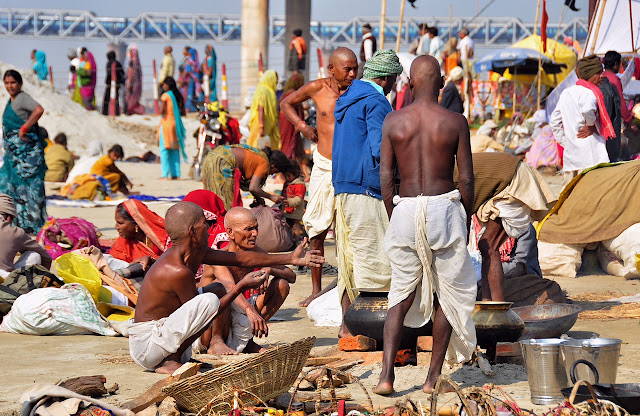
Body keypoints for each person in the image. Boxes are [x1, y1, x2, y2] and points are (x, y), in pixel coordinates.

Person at [373, 55, 476, 396]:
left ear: (410, 84)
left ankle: (386, 377)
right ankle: (431, 380)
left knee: (399, 294)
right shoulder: (455, 121)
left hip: (405, 208)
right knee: (449, 293)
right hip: (444, 206)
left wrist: (396, 214)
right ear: (442, 83)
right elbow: (467, 179)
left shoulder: (393, 120)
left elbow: (386, 176)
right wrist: (465, 216)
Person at [128, 201, 324, 373]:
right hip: (148, 348)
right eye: (206, 224)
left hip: (164, 340)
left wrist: (290, 258)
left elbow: (241, 259)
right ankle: (172, 360)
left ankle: (181, 356)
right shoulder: (176, 270)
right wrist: (241, 287)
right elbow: (203, 314)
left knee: (217, 291)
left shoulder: (197, 252)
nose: (210, 227)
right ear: (193, 232)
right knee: (208, 300)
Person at [332, 49, 403, 337]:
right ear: (387, 79)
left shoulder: (347, 99)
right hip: (366, 188)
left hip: (343, 186)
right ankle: (368, 330)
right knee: (375, 259)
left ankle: (346, 327)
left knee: (350, 259)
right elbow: (380, 150)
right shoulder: (376, 102)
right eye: (395, 80)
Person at [280, 47, 358, 306]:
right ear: (332, 70)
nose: (352, 73)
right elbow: (286, 103)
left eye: (355, 68)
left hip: (350, 166)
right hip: (324, 165)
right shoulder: (317, 88)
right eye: (347, 69)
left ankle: (352, 286)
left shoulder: (358, 91)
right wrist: (302, 126)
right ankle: (316, 289)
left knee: (350, 229)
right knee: (317, 228)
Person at [456, 153, 556, 301]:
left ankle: (498, 308)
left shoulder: (527, 231)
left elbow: (521, 264)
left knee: (489, 246)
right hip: (506, 180)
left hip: (512, 180)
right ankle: (488, 304)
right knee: (487, 246)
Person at [197, 207, 297, 354]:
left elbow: (291, 276)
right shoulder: (218, 257)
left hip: (237, 312)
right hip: (209, 324)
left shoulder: (256, 252)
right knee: (220, 289)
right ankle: (216, 342)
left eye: (256, 228)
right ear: (230, 233)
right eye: (248, 229)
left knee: (281, 284)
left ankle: (248, 340)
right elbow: (230, 287)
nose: (255, 234)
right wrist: (249, 310)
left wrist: (270, 269)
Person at [550, 55, 613, 187]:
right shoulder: (589, 93)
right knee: (593, 193)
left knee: (568, 195)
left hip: (571, 157)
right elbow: (588, 110)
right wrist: (591, 125)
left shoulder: (566, 93)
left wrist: (566, 142)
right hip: (591, 156)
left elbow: (554, 122)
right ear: (589, 74)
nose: (602, 76)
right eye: (598, 73)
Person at [0, 70, 46, 234]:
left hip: (27, 156)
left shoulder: (22, 98)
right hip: (14, 156)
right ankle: (16, 222)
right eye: (6, 83)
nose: (9, 86)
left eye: (12, 83)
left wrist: (24, 128)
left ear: (19, 84)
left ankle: (32, 223)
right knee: (8, 185)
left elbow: (39, 109)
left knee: (30, 187)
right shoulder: (11, 101)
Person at [202, 144, 289, 210]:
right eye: (275, 172)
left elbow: (252, 184)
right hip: (223, 162)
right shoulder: (265, 163)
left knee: (212, 197)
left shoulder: (258, 154)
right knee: (226, 204)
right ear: (273, 164)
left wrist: (258, 198)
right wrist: (271, 197)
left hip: (212, 155)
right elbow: (253, 187)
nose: (271, 174)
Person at [0, 194, 51, 279]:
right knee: (34, 255)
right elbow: (45, 256)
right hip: (4, 280)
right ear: (9, 217)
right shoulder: (16, 232)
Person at [110, 200, 170, 271]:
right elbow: (115, 263)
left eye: (120, 223)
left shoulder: (164, 237)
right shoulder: (122, 242)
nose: (116, 227)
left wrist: (152, 261)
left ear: (136, 223)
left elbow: (174, 261)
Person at [603, 50, 637, 161]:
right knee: (617, 153)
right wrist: (630, 122)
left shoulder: (601, 77)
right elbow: (621, 104)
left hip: (601, 122)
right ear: (616, 64)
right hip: (612, 121)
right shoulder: (614, 80)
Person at [158, 76, 187, 180]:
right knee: (175, 149)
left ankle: (165, 174)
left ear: (168, 85)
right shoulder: (177, 96)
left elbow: (161, 111)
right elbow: (182, 112)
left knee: (164, 149)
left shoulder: (165, 96)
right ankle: (176, 174)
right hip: (176, 125)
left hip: (167, 124)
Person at [247, 70, 280, 149]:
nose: (276, 83)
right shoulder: (263, 90)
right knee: (255, 148)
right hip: (260, 124)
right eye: (275, 80)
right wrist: (261, 127)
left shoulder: (271, 91)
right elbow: (261, 108)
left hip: (269, 126)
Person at [279, 73, 305, 161]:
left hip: (284, 122)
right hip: (291, 122)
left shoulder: (285, 94)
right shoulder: (294, 94)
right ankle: (287, 162)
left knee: (286, 142)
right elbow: (295, 110)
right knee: (291, 142)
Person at [282, 161, 306, 243]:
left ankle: (296, 242)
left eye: (289, 176)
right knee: (288, 227)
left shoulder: (300, 185)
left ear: (295, 174)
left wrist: (290, 202)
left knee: (295, 226)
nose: (287, 178)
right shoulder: (288, 184)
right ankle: (290, 242)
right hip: (287, 210)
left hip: (296, 211)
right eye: (285, 176)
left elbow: (299, 199)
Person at [102, 51, 125, 116]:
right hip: (117, 84)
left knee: (107, 99)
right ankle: (117, 112)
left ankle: (105, 112)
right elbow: (122, 73)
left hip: (110, 84)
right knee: (116, 98)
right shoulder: (118, 63)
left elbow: (109, 73)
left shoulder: (109, 63)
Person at [178, 46, 201, 113]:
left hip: (190, 79)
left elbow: (187, 71)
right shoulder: (196, 61)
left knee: (190, 94)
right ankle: (194, 107)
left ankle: (188, 108)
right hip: (195, 79)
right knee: (195, 93)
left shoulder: (189, 60)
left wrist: (181, 78)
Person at [125, 45, 145, 115]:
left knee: (130, 99)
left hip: (132, 86)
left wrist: (129, 84)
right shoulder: (138, 63)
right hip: (137, 86)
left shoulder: (132, 62)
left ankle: (132, 111)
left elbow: (131, 73)